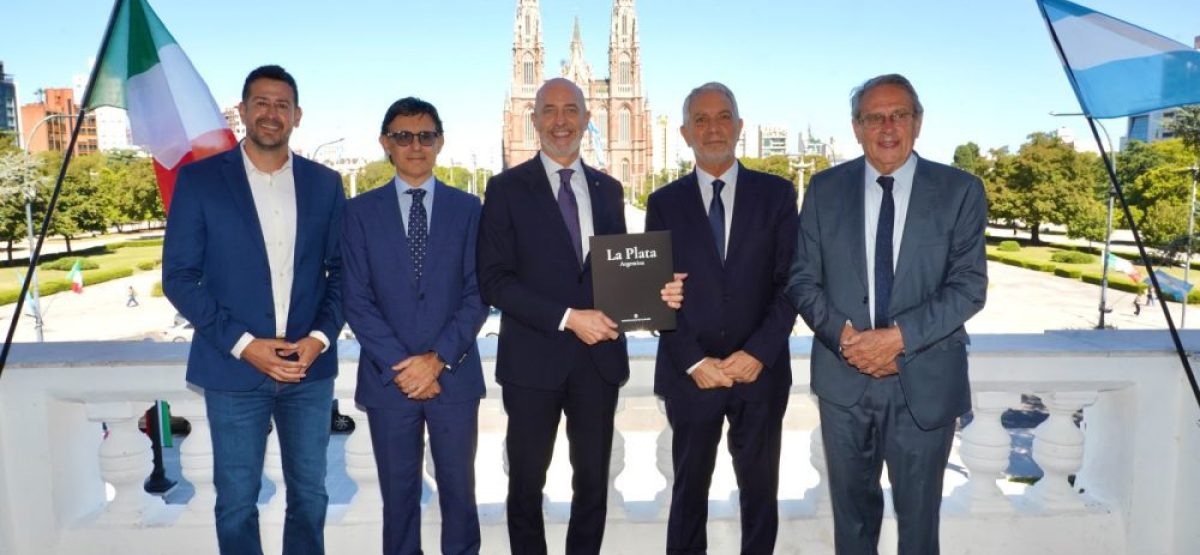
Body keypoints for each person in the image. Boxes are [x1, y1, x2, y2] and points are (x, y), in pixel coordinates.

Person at [476, 77, 683, 555]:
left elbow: (618, 272)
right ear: (534, 120)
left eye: (571, 110)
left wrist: (658, 295)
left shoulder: (608, 190)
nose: (561, 121)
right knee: (526, 486)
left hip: (598, 366)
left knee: (593, 487)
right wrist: (569, 317)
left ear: (589, 119)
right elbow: (495, 282)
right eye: (549, 110)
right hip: (532, 364)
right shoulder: (505, 189)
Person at [786, 74, 988, 555]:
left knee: (919, 527)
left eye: (899, 115)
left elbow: (969, 287)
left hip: (924, 382)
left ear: (918, 122)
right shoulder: (824, 189)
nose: (888, 127)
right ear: (856, 128)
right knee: (852, 525)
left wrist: (896, 340)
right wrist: (848, 340)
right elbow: (801, 279)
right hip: (844, 381)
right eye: (874, 117)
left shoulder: (960, 190)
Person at [162, 65, 345, 555]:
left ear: (297, 116)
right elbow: (178, 277)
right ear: (242, 110)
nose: (271, 113)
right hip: (232, 369)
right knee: (237, 502)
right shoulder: (200, 182)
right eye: (260, 103)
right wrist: (245, 346)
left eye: (282, 104)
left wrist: (319, 339)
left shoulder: (325, 184)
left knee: (310, 496)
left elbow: (342, 274)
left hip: (308, 370)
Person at [645, 82, 797, 555]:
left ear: (740, 126)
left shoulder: (776, 194)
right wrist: (694, 361)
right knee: (688, 495)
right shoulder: (663, 203)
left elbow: (791, 283)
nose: (714, 128)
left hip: (760, 375)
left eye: (723, 116)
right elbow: (656, 296)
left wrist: (757, 354)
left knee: (760, 496)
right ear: (686, 132)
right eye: (702, 120)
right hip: (691, 377)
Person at [341, 97, 486, 555]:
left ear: (439, 142)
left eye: (425, 136)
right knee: (398, 500)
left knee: (460, 497)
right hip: (391, 382)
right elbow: (356, 300)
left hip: (454, 379)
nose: (415, 145)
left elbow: (478, 293)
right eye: (403, 136)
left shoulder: (470, 209)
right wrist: (407, 367)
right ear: (386, 143)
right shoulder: (358, 213)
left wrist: (437, 359)